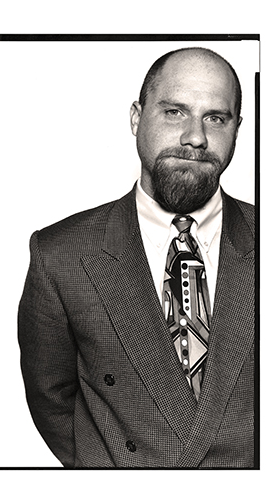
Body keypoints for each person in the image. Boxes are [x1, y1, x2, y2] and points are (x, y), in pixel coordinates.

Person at [18, 47, 255, 468]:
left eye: (215, 118)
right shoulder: (61, 255)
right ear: (136, 117)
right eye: (174, 112)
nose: (195, 136)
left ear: (237, 129)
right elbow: (51, 399)